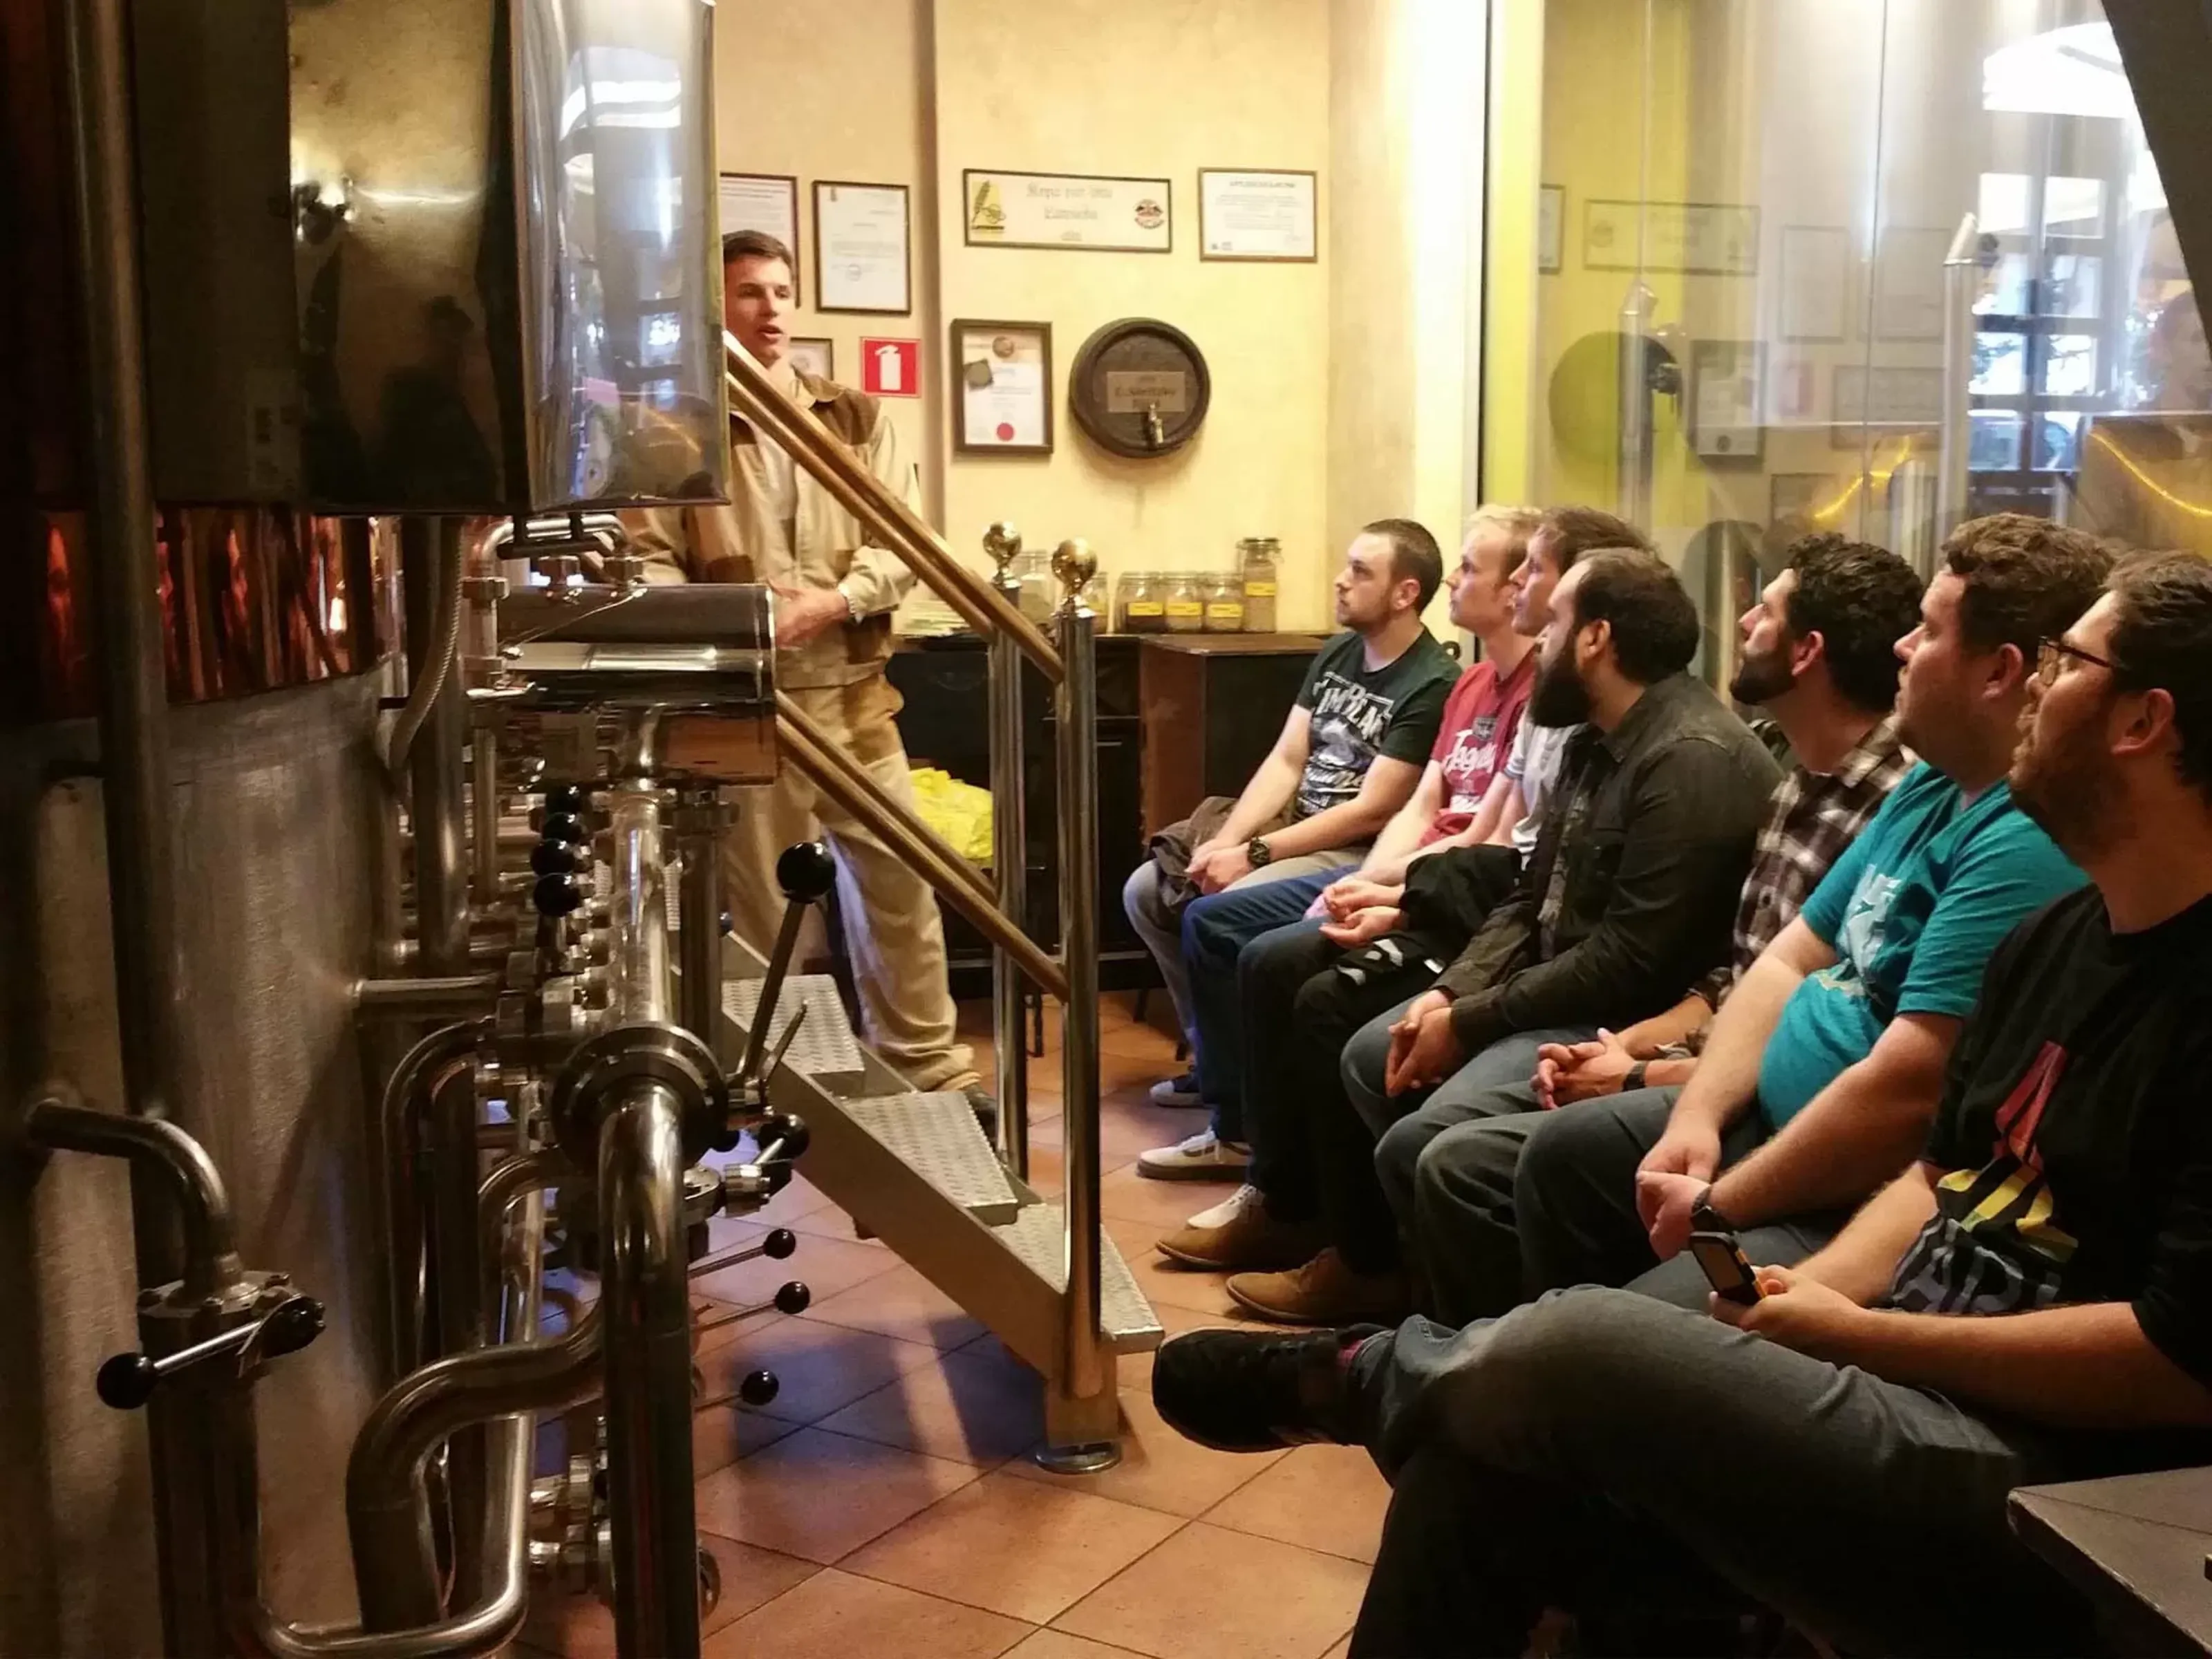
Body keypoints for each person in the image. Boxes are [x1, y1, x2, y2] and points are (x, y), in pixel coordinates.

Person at [1150, 549, 2212, 1659]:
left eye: (2069, 663)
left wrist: (1865, 1336)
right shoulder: (2060, 935)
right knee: (1479, 1473)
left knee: (1584, 1341)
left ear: (2145, 721)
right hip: (1907, 1350)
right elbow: (1936, 1175)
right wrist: (1808, 1295)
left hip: (2055, 1486)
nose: (2040, 686)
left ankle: (1370, 1373)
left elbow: (2176, 1369)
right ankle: (1424, 1387)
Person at [1503, 513, 2110, 1319]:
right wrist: (1696, 1116)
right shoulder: (1931, 781)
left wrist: (1719, 1204)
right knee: (1554, 1161)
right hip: (1758, 1113)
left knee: (1597, 1327)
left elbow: (1906, 1096)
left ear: (1997, 671)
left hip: (1847, 1187)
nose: (1901, 648)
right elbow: (1786, 960)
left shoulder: (2022, 841)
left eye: (1927, 632)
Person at [1194, 551, 1783, 1326]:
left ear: (1595, 639)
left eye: (1555, 623)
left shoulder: (1688, 759)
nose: (1540, 641)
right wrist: (1449, 994)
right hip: (1567, 983)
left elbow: (1627, 964)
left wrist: (1469, 1020)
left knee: (1418, 1139)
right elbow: (1528, 897)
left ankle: (1469, 1334)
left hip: (1625, 1017)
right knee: (1372, 1051)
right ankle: (1393, 1274)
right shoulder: (1595, 736)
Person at [1397, 533, 1924, 1322]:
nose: (1742, 622)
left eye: (1765, 612)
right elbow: (1746, 975)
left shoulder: (1871, 794)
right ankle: (1473, 1348)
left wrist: (1639, 1072)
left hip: (1786, 1109)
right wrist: (1637, 1048)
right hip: (1705, 1055)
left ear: (1808, 651)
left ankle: (1512, 1355)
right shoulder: (1799, 780)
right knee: (1443, 1128)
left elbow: (1840, 1038)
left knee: (1460, 1158)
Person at [1142, 506, 1645, 1200]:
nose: (1457, 582)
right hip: (1429, 876)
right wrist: (1360, 879)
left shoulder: (1516, 697)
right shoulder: (1472, 683)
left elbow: (1487, 849)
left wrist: (1382, 892)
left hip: (1459, 897)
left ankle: (1277, 1178)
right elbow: (1421, 809)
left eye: (1510, 571)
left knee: (1269, 957)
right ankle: (1254, 1141)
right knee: (1174, 902)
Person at [627, 232, 983, 1105]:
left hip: (854, 699)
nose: (771, 309)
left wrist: (832, 601)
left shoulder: (850, 416)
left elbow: (905, 540)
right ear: (712, 307)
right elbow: (649, 564)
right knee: (764, 914)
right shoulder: (674, 427)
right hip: (746, 707)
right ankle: (778, 1086)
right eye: (749, 292)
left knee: (899, 885)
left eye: (781, 291)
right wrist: (745, 616)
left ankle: (927, 1065)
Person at [1123, 521, 1458, 1176]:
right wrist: (1226, 841)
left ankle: (1238, 1123)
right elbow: (1286, 759)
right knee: (1148, 891)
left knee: (1218, 912)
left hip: (1352, 851)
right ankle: (1216, 1064)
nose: (1341, 580)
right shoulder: (1339, 653)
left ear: (1405, 593)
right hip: (1288, 831)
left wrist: (1253, 857)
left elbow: (1373, 809)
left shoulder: (1431, 682)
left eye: (1360, 571)